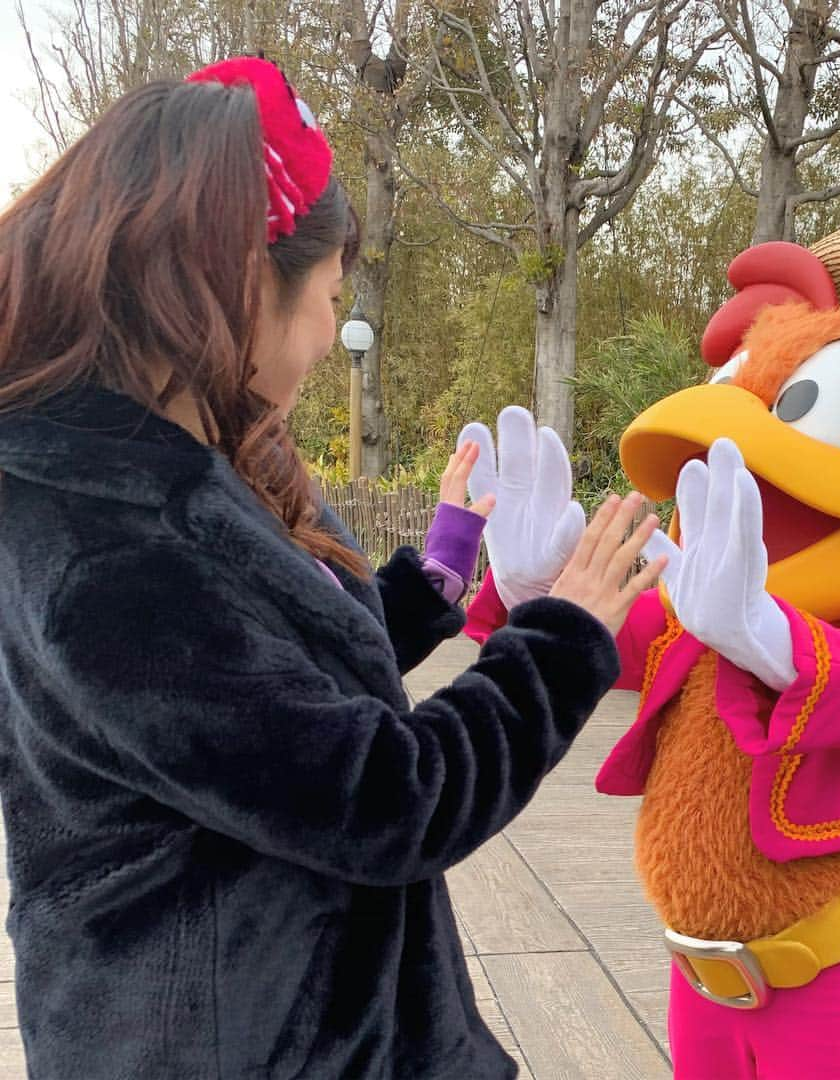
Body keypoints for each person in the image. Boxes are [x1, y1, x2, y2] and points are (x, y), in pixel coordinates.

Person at [0, 57, 663, 1079]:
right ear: (235, 285)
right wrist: (564, 640)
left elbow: (267, 701)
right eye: (328, 295)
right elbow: (387, 799)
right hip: (245, 1043)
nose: (326, 333)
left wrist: (442, 570)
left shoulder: (155, 464)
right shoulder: (112, 556)